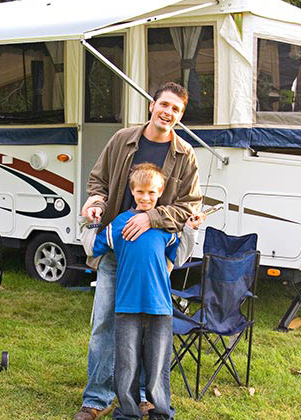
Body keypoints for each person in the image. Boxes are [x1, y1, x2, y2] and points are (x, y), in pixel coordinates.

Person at [75, 82, 202, 420]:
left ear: (180, 115)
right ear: (151, 105)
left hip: (152, 257)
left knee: (148, 328)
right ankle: (97, 398)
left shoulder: (185, 155)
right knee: (105, 325)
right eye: (164, 105)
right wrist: (96, 202)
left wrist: (151, 217)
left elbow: (189, 206)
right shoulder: (122, 140)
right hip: (115, 252)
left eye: (176, 109)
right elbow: (98, 181)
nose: (168, 112)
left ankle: (145, 397)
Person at [91, 164, 202, 420]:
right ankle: (128, 412)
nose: (145, 197)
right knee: (126, 364)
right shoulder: (120, 223)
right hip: (126, 307)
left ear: (160, 192)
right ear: (132, 191)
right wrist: (90, 220)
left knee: (157, 365)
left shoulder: (165, 228)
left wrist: (191, 230)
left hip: (160, 308)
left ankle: (160, 412)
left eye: (151, 192)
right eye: (140, 191)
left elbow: (180, 256)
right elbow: (93, 247)